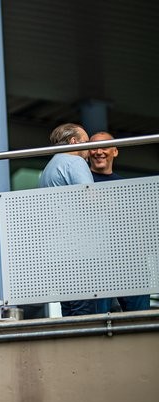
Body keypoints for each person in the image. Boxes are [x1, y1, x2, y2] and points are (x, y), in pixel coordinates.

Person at [88, 131, 150, 313]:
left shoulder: (126, 186)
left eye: (104, 147)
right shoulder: (82, 182)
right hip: (98, 264)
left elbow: (137, 226)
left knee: (139, 320)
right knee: (99, 321)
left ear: (115, 151)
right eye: (92, 147)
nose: (98, 151)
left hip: (130, 262)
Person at [38, 123, 96, 317]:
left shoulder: (48, 168)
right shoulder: (74, 162)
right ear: (74, 142)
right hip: (77, 246)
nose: (90, 150)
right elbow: (90, 198)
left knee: (69, 306)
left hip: (58, 248)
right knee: (84, 308)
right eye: (86, 143)